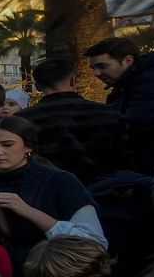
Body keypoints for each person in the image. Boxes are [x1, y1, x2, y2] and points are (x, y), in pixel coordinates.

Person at [0, 116, 108, 277]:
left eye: (7, 145)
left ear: (27, 146)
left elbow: (94, 242)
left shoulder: (60, 182)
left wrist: (29, 211)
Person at [16, 55, 130, 186]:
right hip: (104, 189)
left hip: (47, 189)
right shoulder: (108, 113)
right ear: (73, 81)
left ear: (38, 87)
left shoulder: (23, 119)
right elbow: (124, 158)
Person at [86, 36, 154, 175]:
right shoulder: (127, 82)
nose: (96, 73)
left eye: (102, 66)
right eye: (93, 68)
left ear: (128, 60)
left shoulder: (152, 79)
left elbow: (138, 123)